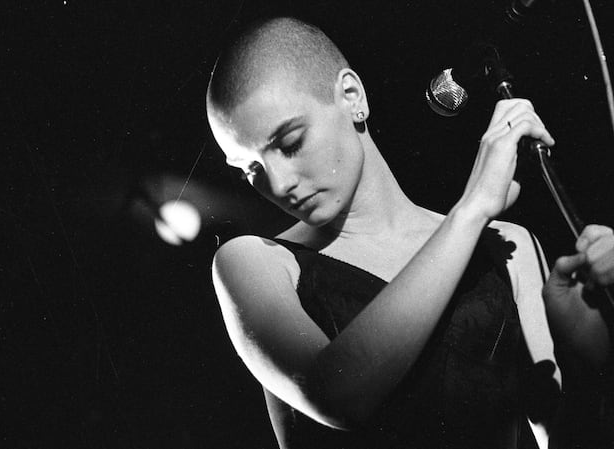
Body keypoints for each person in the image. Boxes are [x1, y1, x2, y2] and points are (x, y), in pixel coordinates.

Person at [205, 16, 614, 449]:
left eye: (290, 143)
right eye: (250, 169)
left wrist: (590, 368)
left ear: (352, 96)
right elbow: (337, 395)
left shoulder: (507, 245)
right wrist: (471, 209)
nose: (279, 183)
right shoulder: (254, 261)